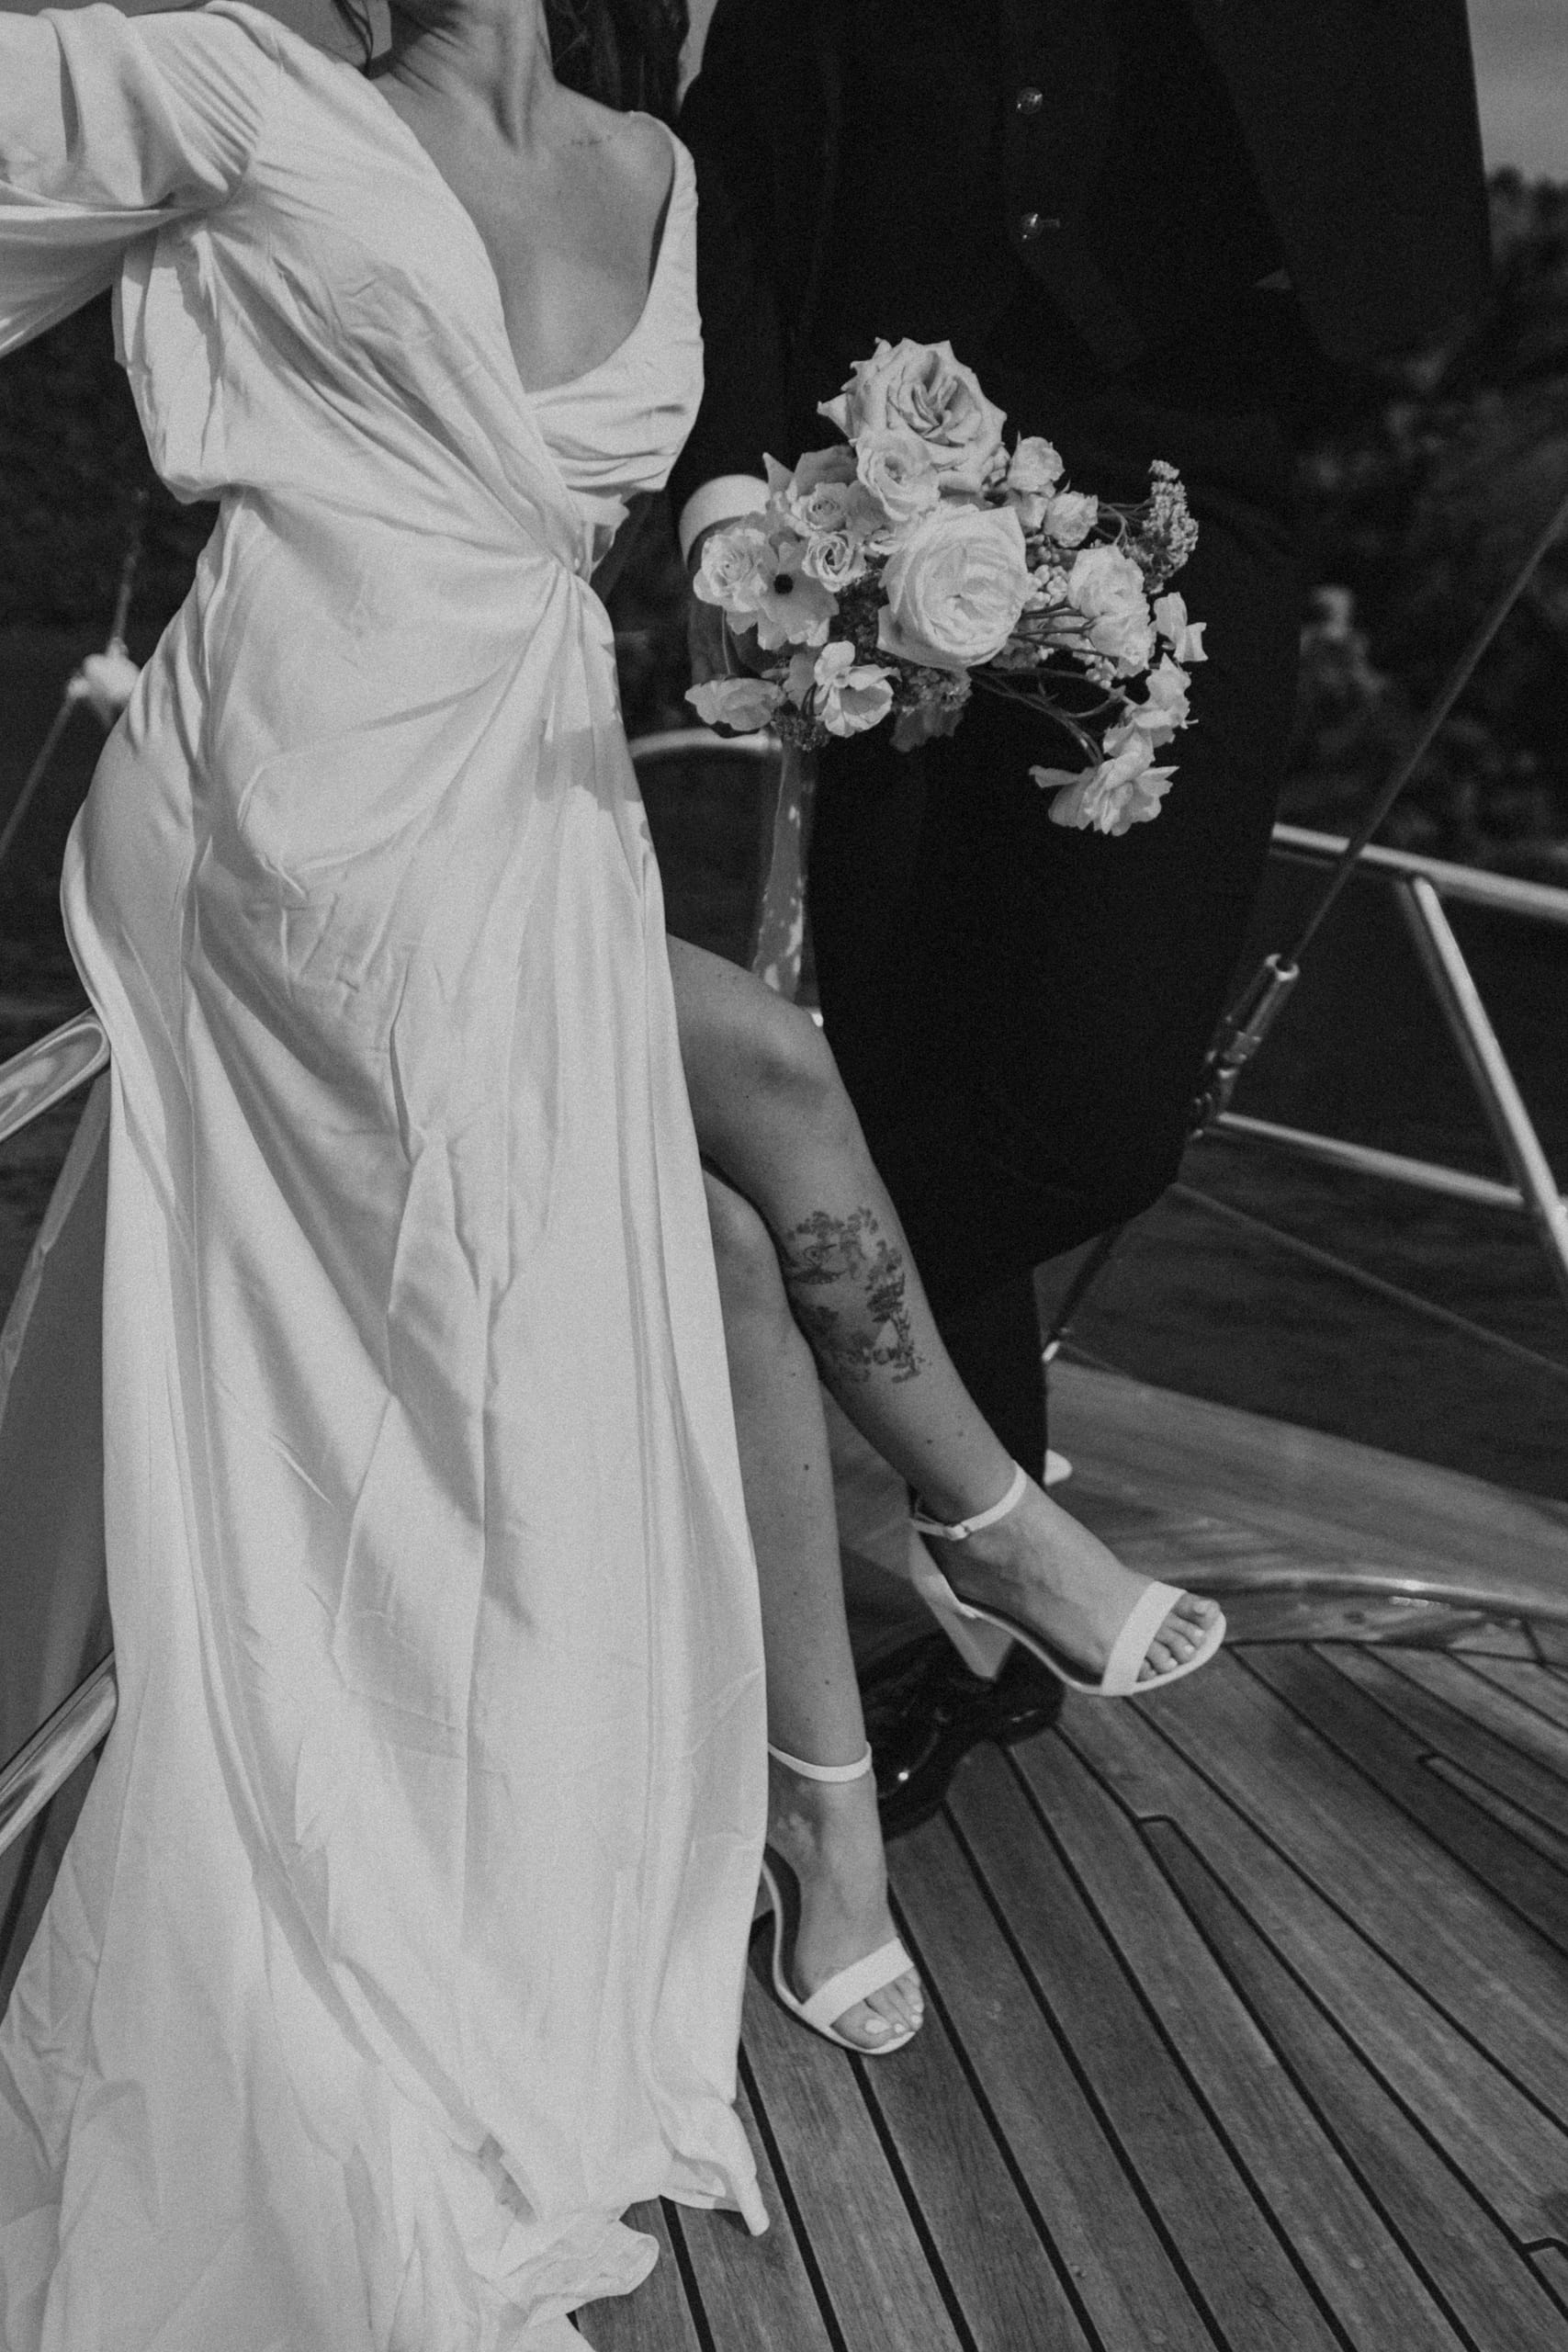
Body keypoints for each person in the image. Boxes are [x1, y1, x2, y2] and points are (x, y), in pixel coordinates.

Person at [0, 4, 1222, 2336]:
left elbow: (695, 529)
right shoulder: (240, 91)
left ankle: (747, 1811)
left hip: (535, 771)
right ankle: (970, 1544)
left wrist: (844, 605)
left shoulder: (664, 166)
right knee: (722, 1106)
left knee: (656, 1268)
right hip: (309, 784)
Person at [671, 0, 1495, 1804]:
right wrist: (731, 475)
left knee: (1091, 1110)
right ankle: (953, 1609)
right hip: (863, 503)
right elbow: (735, 176)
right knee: (894, 1048)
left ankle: (684, 1317)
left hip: (1190, 483)